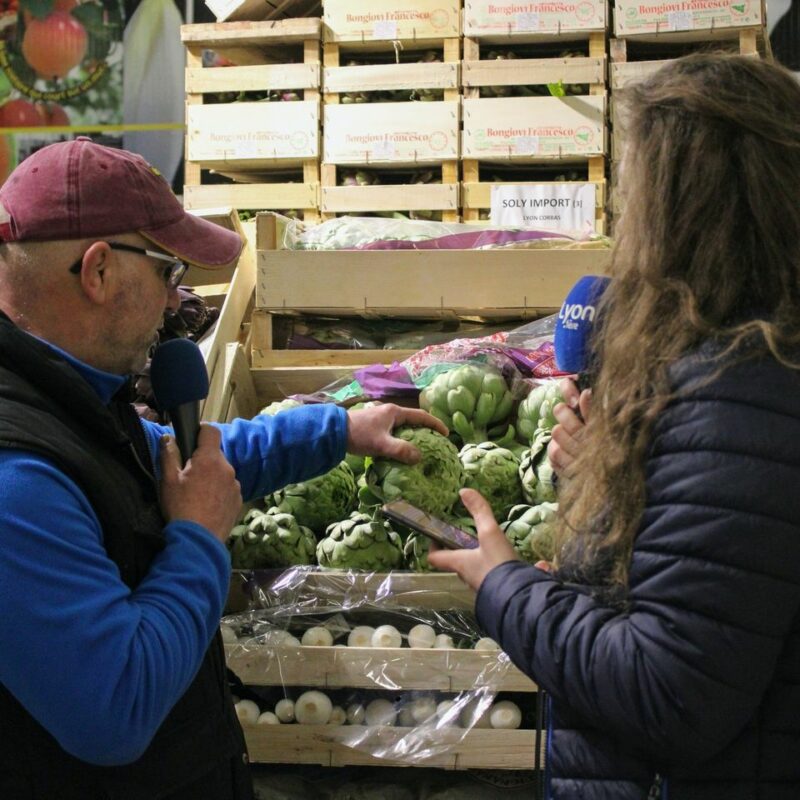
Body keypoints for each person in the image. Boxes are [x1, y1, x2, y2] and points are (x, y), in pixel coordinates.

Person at [0, 137, 446, 800]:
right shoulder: (16, 482)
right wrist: (198, 540)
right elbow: (114, 710)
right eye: (167, 271)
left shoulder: (72, 401)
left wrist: (341, 428)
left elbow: (179, 462)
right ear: (98, 273)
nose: (176, 301)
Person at [430, 53, 800, 800]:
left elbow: (668, 692)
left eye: (636, 194)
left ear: (687, 210)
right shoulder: (744, 366)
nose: (624, 222)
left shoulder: (737, 395)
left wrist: (502, 587)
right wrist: (610, 484)